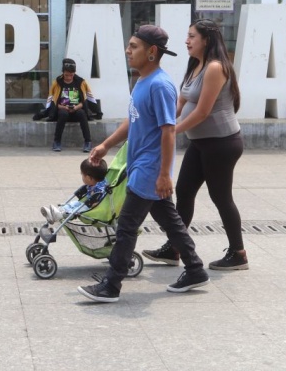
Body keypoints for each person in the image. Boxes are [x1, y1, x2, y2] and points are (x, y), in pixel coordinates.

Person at [78, 25, 209, 303]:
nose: (128, 50)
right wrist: (106, 145)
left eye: (134, 46)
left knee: (126, 226)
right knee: (170, 222)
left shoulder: (160, 85)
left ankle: (111, 285)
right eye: (128, 45)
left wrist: (164, 174)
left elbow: (168, 130)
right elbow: (133, 119)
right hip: (142, 165)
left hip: (150, 168)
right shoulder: (142, 81)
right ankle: (195, 268)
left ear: (151, 52)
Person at [143, 19, 248, 271]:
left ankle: (238, 253)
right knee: (185, 191)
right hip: (201, 143)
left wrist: (171, 132)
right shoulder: (195, 65)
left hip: (221, 143)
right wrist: (159, 124)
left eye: (192, 36)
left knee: (221, 197)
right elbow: (180, 104)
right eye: (187, 36)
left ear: (206, 40)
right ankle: (174, 247)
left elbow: (202, 112)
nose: (187, 41)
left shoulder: (215, 67)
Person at [45, 58, 97, 152]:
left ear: (74, 73)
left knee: (82, 113)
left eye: (71, 75)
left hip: (76, 110)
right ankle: (56, 142)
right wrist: (63, 107)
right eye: (66, 75)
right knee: (63, 113)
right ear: (63, 72)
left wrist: (76, 107)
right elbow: (54, 101)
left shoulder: (81, 82)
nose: (68, 77)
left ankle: (88, 142)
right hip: (62, 111)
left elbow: (84, 100)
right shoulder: (57, 83)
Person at [40, 158, 108, 223]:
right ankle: (56, 212)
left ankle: (60, 215)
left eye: (82, 174)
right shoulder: (96, 182)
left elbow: (100, 200)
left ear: (88, 178)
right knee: (73, 204)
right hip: (86, 203)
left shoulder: (101, 188)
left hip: (92, 208)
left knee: (77, 210)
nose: (81, 176)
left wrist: (95, 204)